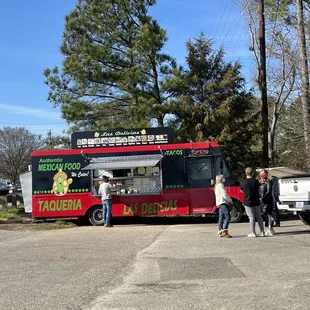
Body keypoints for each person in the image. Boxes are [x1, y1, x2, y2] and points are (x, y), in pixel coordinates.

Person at [240, 167, 265, 237]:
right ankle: (262, 232)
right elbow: (258, 188)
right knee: (259, 216)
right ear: (252, 173)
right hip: (256, 200)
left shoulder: (243, 182)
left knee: (251, 217)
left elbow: (241, 191)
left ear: (245, 173)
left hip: (248, 201)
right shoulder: (256, 181)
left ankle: (253, 232)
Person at [259, 170, 276, 236]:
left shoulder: (269, 181)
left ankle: (270, 228)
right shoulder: (260, 182)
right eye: (261, 174)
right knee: (264, 213)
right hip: (262, 200)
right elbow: (259, 191)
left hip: (268, 200)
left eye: (263, 174)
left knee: (269, 214)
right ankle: (270, 226)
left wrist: (263, 197)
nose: (261, 175)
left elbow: (268, 191)